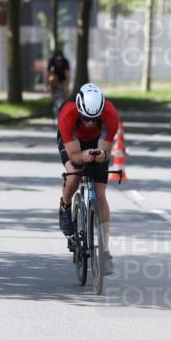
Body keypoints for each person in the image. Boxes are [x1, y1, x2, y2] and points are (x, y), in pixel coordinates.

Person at [57, 83, 120, 274]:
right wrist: (81, 157)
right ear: (79, 108)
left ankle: (105, 251)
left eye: (94, 119)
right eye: (86, 118)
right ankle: (65, 205)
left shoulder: (110, 114)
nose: (90, 122)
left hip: (96, 141)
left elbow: (106, 151)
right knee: (74, 176)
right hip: (73, 142)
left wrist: (102, 155)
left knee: (100, 194)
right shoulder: (67, 114)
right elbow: (74, 155)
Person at [47, 50, 70, 117]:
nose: (59, 63)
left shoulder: (65, 62)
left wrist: (66, 88)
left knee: (65, 93)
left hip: (63, 79)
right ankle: (52, 96)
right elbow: (49, 74)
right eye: (57, 61)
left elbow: (67, 75)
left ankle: (64, 107)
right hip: (55, 78)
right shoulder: (51, 61)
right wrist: (49, 85)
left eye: (60, 61)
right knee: (51, 78)